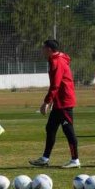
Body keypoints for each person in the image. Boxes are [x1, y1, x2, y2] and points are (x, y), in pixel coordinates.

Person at [30, 40, 80, 168]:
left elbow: (55, 84)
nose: (42, 50)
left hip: (64, 101)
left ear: (49, 49)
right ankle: (45, 159)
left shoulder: (56, 61)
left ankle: (75, 160)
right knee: (50, 128)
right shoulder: (58, 58)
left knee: (68, 130)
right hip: (59, 102)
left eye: (43, 48)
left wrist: (46, 102)